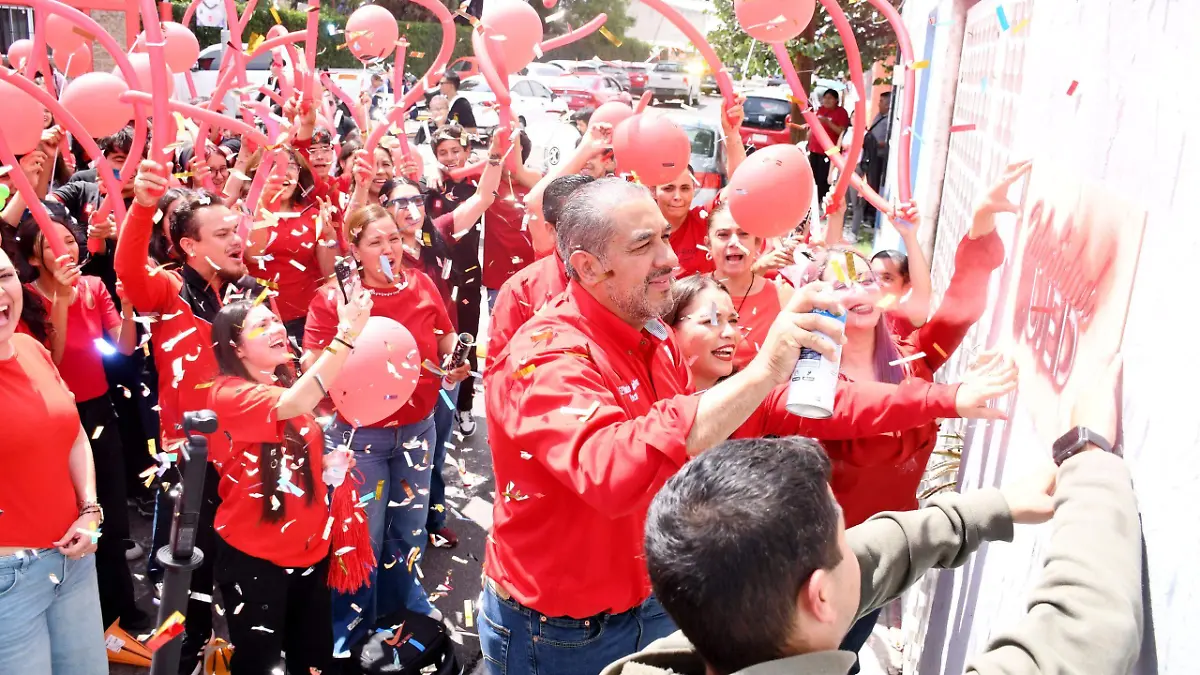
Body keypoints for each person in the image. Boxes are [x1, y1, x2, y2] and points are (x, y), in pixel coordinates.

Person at [480, 178, 1014, 675]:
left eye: (667, 237)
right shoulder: (547, 357)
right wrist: (759, 372)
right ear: (587, 266)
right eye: (645, 246)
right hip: (559, 637)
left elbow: (777, 410)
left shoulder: (651, 333)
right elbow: (612, 470)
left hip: (659, 608)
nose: (670, 259)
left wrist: (947, 398)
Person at [608, 358, 1140, 675]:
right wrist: (1087, 454)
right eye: (841, 541)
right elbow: (1084, 629)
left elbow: (867, 556)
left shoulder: (697, 636)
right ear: (818, 596)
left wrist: (988, 509)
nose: (853, 548)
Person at [798, 164, 1028, 668]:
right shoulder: (807, 380)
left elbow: (957, 313)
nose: (856, 291)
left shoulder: (908, 354)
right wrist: (949, 396)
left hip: (884, 559)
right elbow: (858, 410)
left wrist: (982, 224)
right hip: (814, 562)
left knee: (849, 653)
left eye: (862, 279)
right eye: (837, 285)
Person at [303, 204, 469, 652]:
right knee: (360, 539)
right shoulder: (334, 300)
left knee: (409, 528)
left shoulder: (422, 284)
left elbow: (446, 335)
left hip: (418, 429)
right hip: (360, 440)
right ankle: (352, 625)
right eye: (375, 242)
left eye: (394, 238)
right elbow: (311, 368)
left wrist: (455, 361)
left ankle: (405, 605)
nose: (389, 249)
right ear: (353, 251)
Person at [115, 160, 254, 673]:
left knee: (235, 564)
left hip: (246, 454)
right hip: (191, 460)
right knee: (183, 573)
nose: (236, 240)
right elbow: (129, 269)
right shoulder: (169, 294)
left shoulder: (242, 288)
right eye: (222, 234)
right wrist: (144, 205)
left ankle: (231, 646)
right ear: (190, 247)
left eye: (235, 229)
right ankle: (178, 655)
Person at [206, 290, 370, 674]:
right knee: (258, 663)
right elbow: (297, 403)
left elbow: (291, 449)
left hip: (310, 548)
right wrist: (345, 334)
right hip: (256, 557)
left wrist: (327, 463)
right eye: (261, 325)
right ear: (237, 349)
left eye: (275, 320)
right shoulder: (226, 393)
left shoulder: (285, 382)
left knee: (313, 660)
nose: (277, 327)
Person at [14, 208, 144, 629]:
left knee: (111, 514)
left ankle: (123, 611)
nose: (64, 249)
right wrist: (64, 303)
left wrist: (126, 308)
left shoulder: (94, 286)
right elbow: (48, 360)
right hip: (54, 421)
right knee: (71, 512)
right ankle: (84, 615)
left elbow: (123, 349)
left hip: (99, 409)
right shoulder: (24, 299)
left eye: (69, 239)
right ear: (33, 258)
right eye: (50, 244)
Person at [384, 146, 504, 549]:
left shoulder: (439, 232)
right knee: (406, 449)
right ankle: (395, 524)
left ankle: (434, 517)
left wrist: (495, 157)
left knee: (436, 448)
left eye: (415, 200)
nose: (410, 209)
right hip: (401, 367)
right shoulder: (379, 253)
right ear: (383, 208)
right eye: (399, 203)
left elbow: (483, 197)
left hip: (445, 364)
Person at [0, 247, 107, 675]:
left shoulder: (30, 347)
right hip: (9, 580)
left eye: (4, 276)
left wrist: (90, 510)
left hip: (74, 557)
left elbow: (74, 434)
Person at [486, 173, 594, 368]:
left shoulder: (625, 276)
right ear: (551, 230)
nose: (589, 233)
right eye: (575, 224)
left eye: (595, 221)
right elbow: (499, 370)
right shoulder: (521, 291)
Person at [245, 147, 336, 343]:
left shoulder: (312, 215)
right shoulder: (244, 213)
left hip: (306, 319)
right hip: (258, 319)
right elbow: (253, 255)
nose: (282, 172)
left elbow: (329, 273)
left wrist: (329, 235)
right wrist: (264, 205)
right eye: (274, 166)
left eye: (290, 166)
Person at [653, 96, 747, 278]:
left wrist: (732, 133)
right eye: (669, 188)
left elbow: (739, 186)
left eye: (685, 188)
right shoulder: (641, 232)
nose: (678, 196)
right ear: (653, 191)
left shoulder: (704, 220)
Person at [704, 205, 794, 369]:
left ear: (757, 243)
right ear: (708, 244)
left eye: (743, 234)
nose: (734, 242)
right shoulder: (691, 294)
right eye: (723, 235)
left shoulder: (783, 295)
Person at [808, 89, 852, 205]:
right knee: (813, 176)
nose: (827, 100)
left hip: (829, 151)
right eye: (825, 98)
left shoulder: (841, 113)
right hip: (814, 149)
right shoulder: (820, 110)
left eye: (830, 98)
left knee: (824, 178)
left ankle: (822, 201)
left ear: (836, 100)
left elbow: (842, 132)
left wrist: (828, 122)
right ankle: (812, 201)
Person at [861, 90, 892, 224]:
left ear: (888, 105)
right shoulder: (879, 116)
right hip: (870, 155)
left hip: (878, 157)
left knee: (874, 184)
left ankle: (871, 214)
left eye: (881, 102)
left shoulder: (888, 121)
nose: (878, 104)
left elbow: (885, 141)